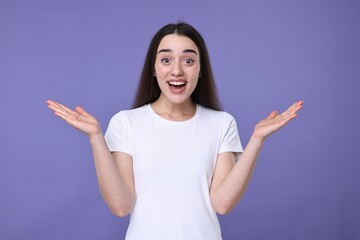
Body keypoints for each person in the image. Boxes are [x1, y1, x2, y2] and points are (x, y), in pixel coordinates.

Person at [47, 22, 303, 240]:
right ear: (154, 69)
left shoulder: (222, 123)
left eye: (188, 60)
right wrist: (96, 138)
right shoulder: (126, 123)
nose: (177, 70)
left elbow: (222, 204)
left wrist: (257, 140)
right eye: (166, 60)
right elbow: (120, 206)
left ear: (200, 70)